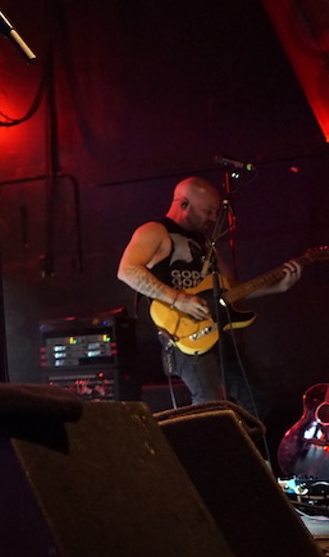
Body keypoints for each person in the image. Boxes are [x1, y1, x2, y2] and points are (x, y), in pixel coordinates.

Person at [117, 176, 301, 414]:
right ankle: (208, 449)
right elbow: (127, 270)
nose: (213, 219)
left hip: (214, 328)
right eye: (208, 211)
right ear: (184, 204)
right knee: (209, 405)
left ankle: (237, 449)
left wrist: (278, 286)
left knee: (255, 397)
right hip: (183, 333)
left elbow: (232, 287)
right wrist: (178, 299)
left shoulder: (204, 243)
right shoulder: (155, 231)